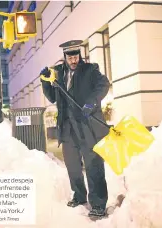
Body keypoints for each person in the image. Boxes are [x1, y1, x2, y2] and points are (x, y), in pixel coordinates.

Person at [40, 40, 110, 218]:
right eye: (70, 57)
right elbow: (53, 98)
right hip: (67, 128)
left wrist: (92, 103)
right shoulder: (59, 74)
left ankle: (98, 204)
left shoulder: (90, 70)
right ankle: (79, 196)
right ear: (64, 58)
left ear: (80, 55)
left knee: (93, 165)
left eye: (76, 56)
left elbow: (104, 85)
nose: (73, 60)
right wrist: (45, 82)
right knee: (73, 166)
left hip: (87, 127)